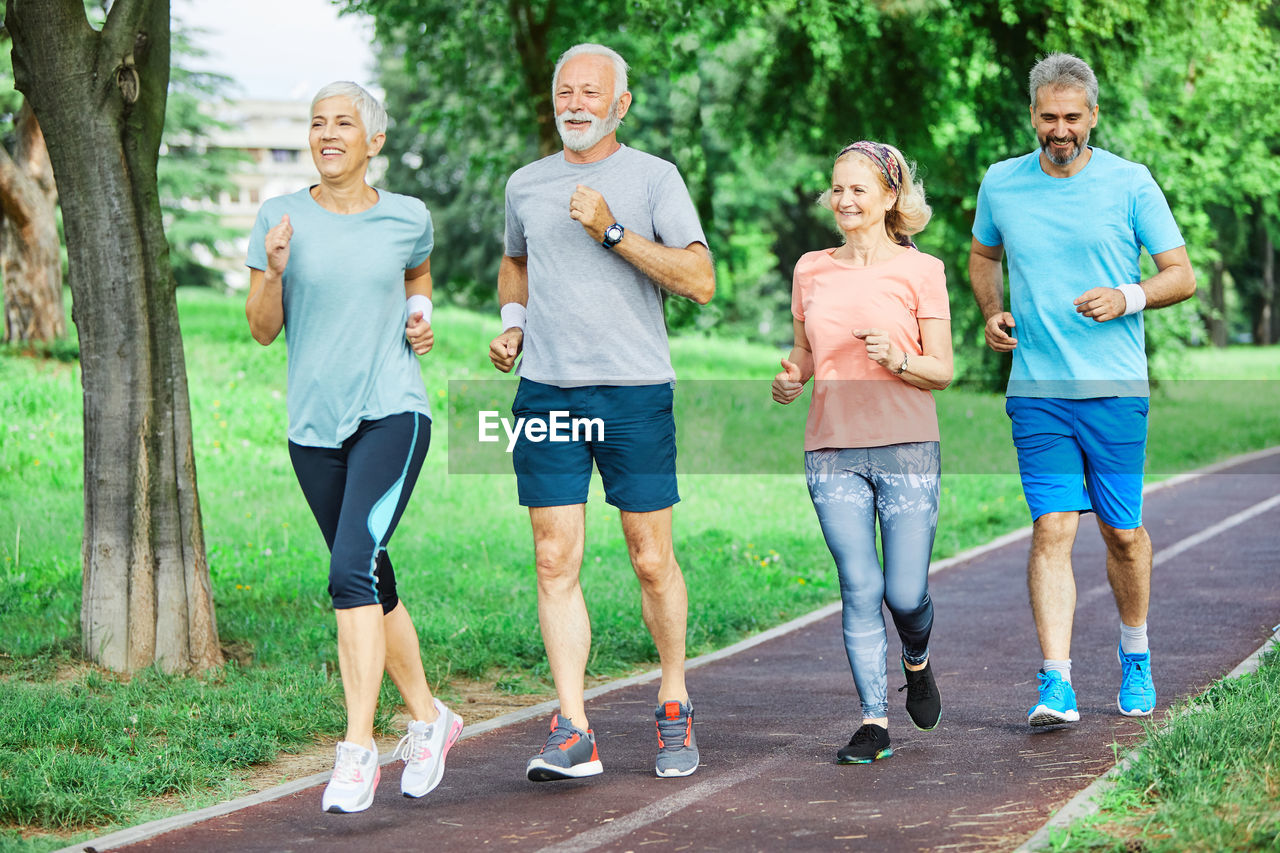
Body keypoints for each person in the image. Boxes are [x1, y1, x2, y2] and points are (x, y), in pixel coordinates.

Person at [488, 43, 714, 781]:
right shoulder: (525, 183)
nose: (574, 104)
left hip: (634, 390)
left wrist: (613, 232)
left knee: (651, 558)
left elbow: (700, 280)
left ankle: (674, 697)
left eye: (590, 93)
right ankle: (573, 726)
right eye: (564, 92)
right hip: (547, 390)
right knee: (554, 558)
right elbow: (515, 259)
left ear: (620, 104)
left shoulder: (654, 178)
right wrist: (514, 320)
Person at [245, 82, 463, 813]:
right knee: (373, 576)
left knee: (349, 570)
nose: (327, 133)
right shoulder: (279, 217)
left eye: (344, 123)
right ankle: (431, 719)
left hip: (392, 410)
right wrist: (274, 271)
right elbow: (261, 328)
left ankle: (358, 747)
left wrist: (420, 313)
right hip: (314, 427)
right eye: (317, 122)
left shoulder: (407, 216)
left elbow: (418, 275)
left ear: (374, 142)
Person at [968, 53, 1196, 728]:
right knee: (1053, 527)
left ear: (1092, 116)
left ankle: (1134, 652)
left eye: (1072, 117)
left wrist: (1127, 297)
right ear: (1032, 116)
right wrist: (991, 310)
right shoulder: (1001, 183)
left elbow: (1180, 275)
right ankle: (1057, 682)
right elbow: (984, 257)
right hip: (1038, 390)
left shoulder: (1131, 183)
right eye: (1048, 117)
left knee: (1123, 534)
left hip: (1115, 390)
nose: (1060, 129)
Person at [773, 141, 953, 764]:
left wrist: (898, 359)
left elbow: (943, 370)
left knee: (904, 594)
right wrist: (791, 376)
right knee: (858, 584)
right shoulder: (810, 268)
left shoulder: (922, 270)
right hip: (831, 448)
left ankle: (918, 659)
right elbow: (803, 351)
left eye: (859, 190)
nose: (844, 201)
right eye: (837, 189)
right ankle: (874, 722)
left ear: (890, 198)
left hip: (907, 446)